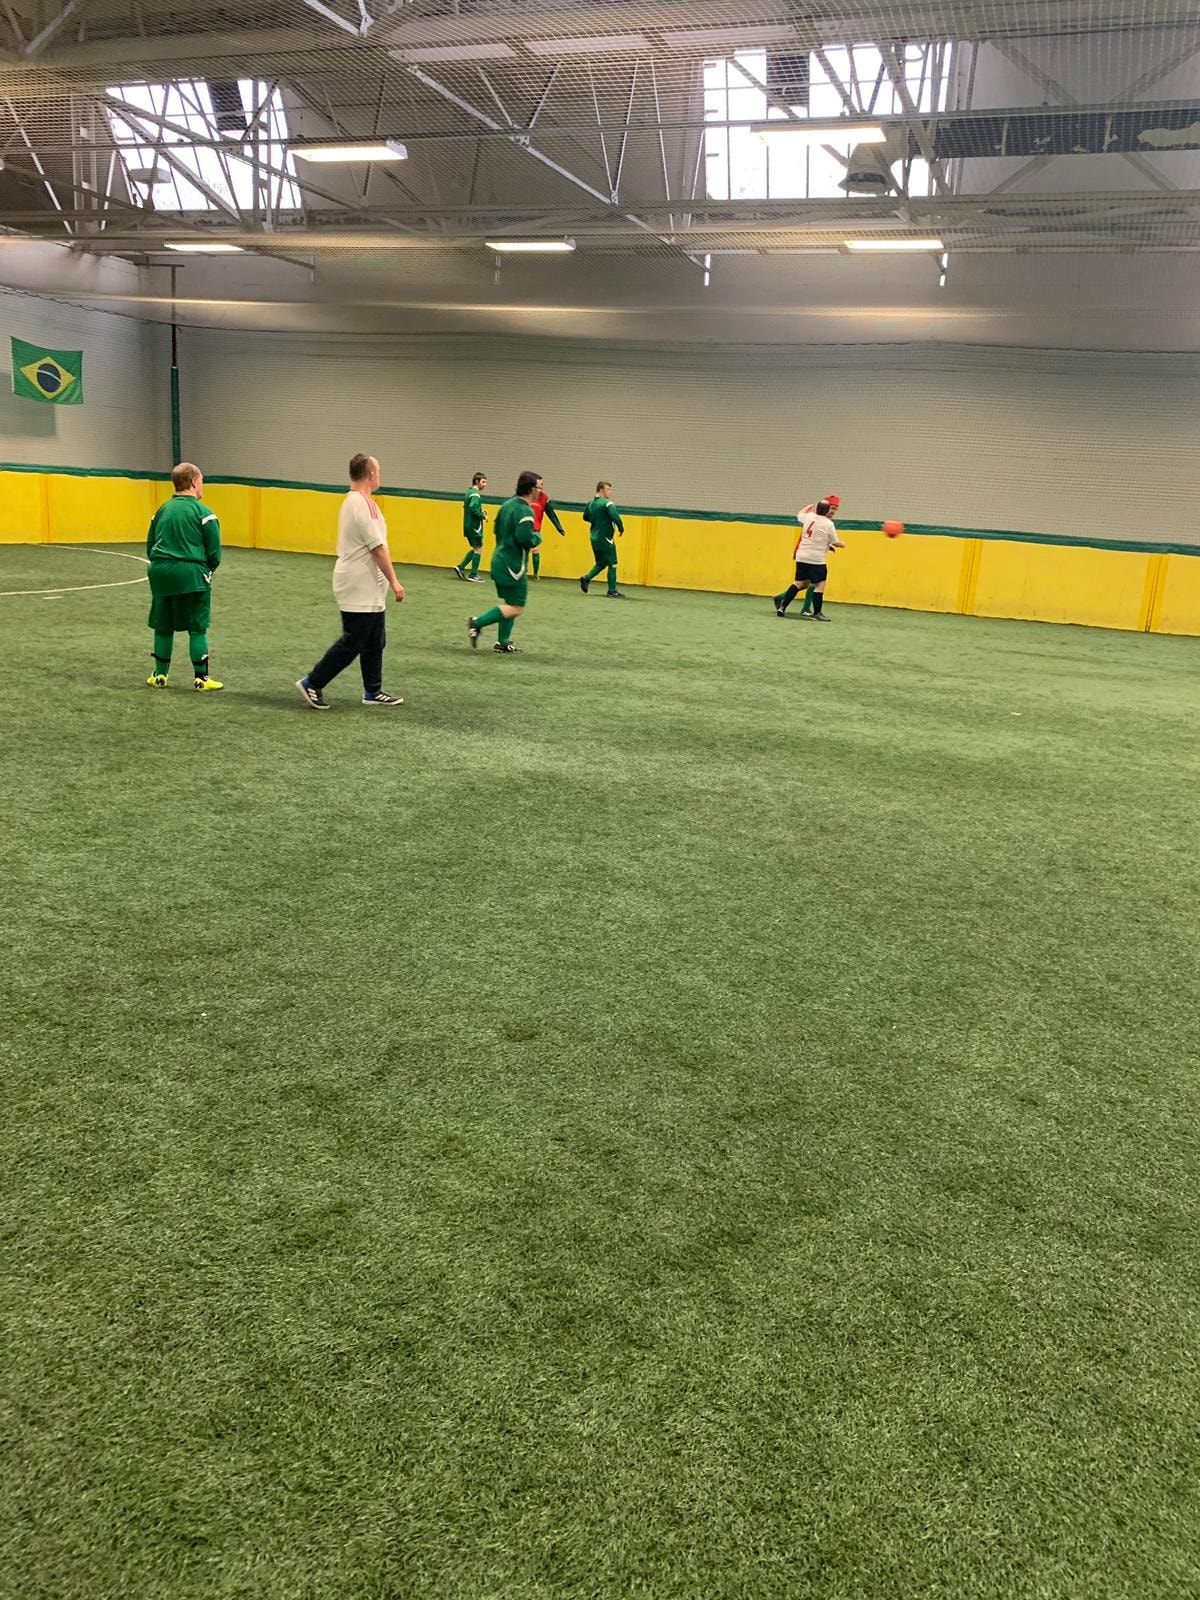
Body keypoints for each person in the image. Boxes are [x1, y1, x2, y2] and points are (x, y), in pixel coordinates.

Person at [296, 453, 405, 709]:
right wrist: (395, 581)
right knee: (353, 641)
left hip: (368, 586)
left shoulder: (360, 502)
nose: (380, 475)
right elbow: (378, 548)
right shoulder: (361, 504)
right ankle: (312, 682)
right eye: (378, 471)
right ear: (371, 474)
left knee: (375, 640)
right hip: (359, 585)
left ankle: (373, 691)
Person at [145, 461, 223, 691]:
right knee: (197, 627)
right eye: (202, 481)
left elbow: (150, 545)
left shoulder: (161, 511)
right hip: (191, 574)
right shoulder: (205, 514)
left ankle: (160, 675)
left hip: (161, 573)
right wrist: (206, 571)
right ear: (195, 481)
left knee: (163, 625)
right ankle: (201, 679)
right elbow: (214, 553)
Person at [467, 469, 541, 653]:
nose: (541, 491)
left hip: (500, 558)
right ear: (531, 489)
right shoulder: (525, 511)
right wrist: (537, 538)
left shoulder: (507, 505)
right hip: (513, 565)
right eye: (539, 487)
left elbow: (496, 530)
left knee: (509, 602)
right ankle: (477, 623)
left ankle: (503, 641)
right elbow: (524, 539)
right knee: (516, 607)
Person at [774, 498, 844, 621]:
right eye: (832, 508)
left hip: (802, 555)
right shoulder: (828, 524)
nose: (833, 511)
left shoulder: (809, 517)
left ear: (817, 508)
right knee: (819, 585)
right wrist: (841, 544)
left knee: (799, 583)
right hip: (816, 559)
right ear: (827, 510)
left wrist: (808, 506)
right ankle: (816, 612)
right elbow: (835, 541)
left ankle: (782, 606)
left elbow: (800, 514)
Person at [793, 493, 841, 615]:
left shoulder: (821, 519)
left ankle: (782, 600)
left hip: (809, 553)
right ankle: (804, 608)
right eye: (832, 508)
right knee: (811, 583)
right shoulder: (816, 517)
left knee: (805, 583)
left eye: (835, 509)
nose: (833, 511)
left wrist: (828, 546)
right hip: (807, 553)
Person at [579, 481, 625, 598]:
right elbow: (615, 517)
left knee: (601, 563)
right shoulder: (608, 504)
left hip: (594, 537)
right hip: (605, 538)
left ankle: (586, 578)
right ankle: (612, 590)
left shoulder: (590, 504)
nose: (610, 492)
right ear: (601, 490)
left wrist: (597, 521)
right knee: (613, 563)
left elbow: (585, 517)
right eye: (608, 489)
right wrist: (621, 528)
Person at [454, 471, 487, 582]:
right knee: (479, 548)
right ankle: (473, 574)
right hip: (474, 526)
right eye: (483, 482)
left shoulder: (468, 493)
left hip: (468, 524)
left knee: (475, 547)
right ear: (476, 481)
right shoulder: (475, 494)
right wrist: (482, 515)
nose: (485, 484)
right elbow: (473, 508)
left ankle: (461, 567)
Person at [529, 476, 565, 577]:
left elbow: (551, 513)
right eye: (539, 484)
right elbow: (510, 506)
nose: (541, 486)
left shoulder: (544, 498)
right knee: (520, 551)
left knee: (535, 549)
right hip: (521, 527)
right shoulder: (523, 494)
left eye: (542, 484)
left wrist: (559, 527)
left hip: (535, 529)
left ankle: (535, 574)